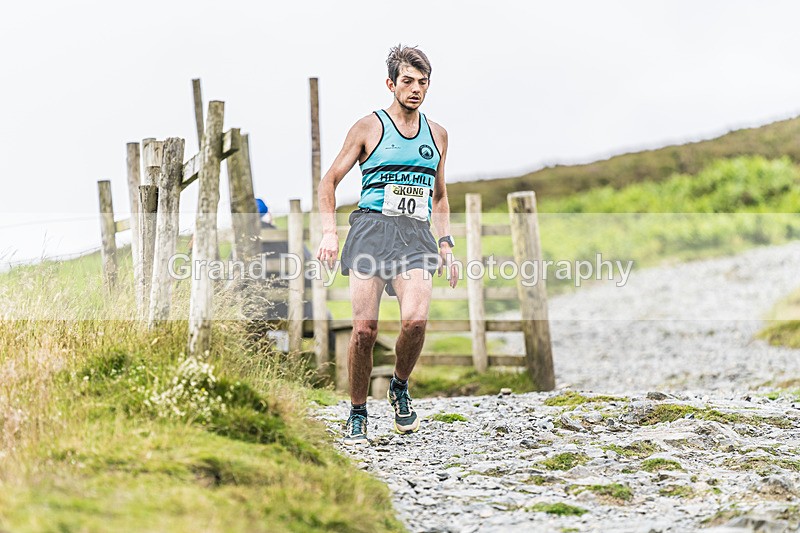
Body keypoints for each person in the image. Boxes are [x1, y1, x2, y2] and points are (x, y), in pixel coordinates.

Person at [316, 44, 458, 445]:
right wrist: (330, 232)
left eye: (423, 82)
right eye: (408, 81)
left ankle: (399, 385)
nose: (416, 89)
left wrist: (445, 243)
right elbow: (329, 182)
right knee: (364, 330)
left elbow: (440, 195)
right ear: (391, 84)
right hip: (370, 231)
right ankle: (358, 410)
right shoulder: (368, 128)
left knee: (415, 321)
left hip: (415, 234)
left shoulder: (439, 135)